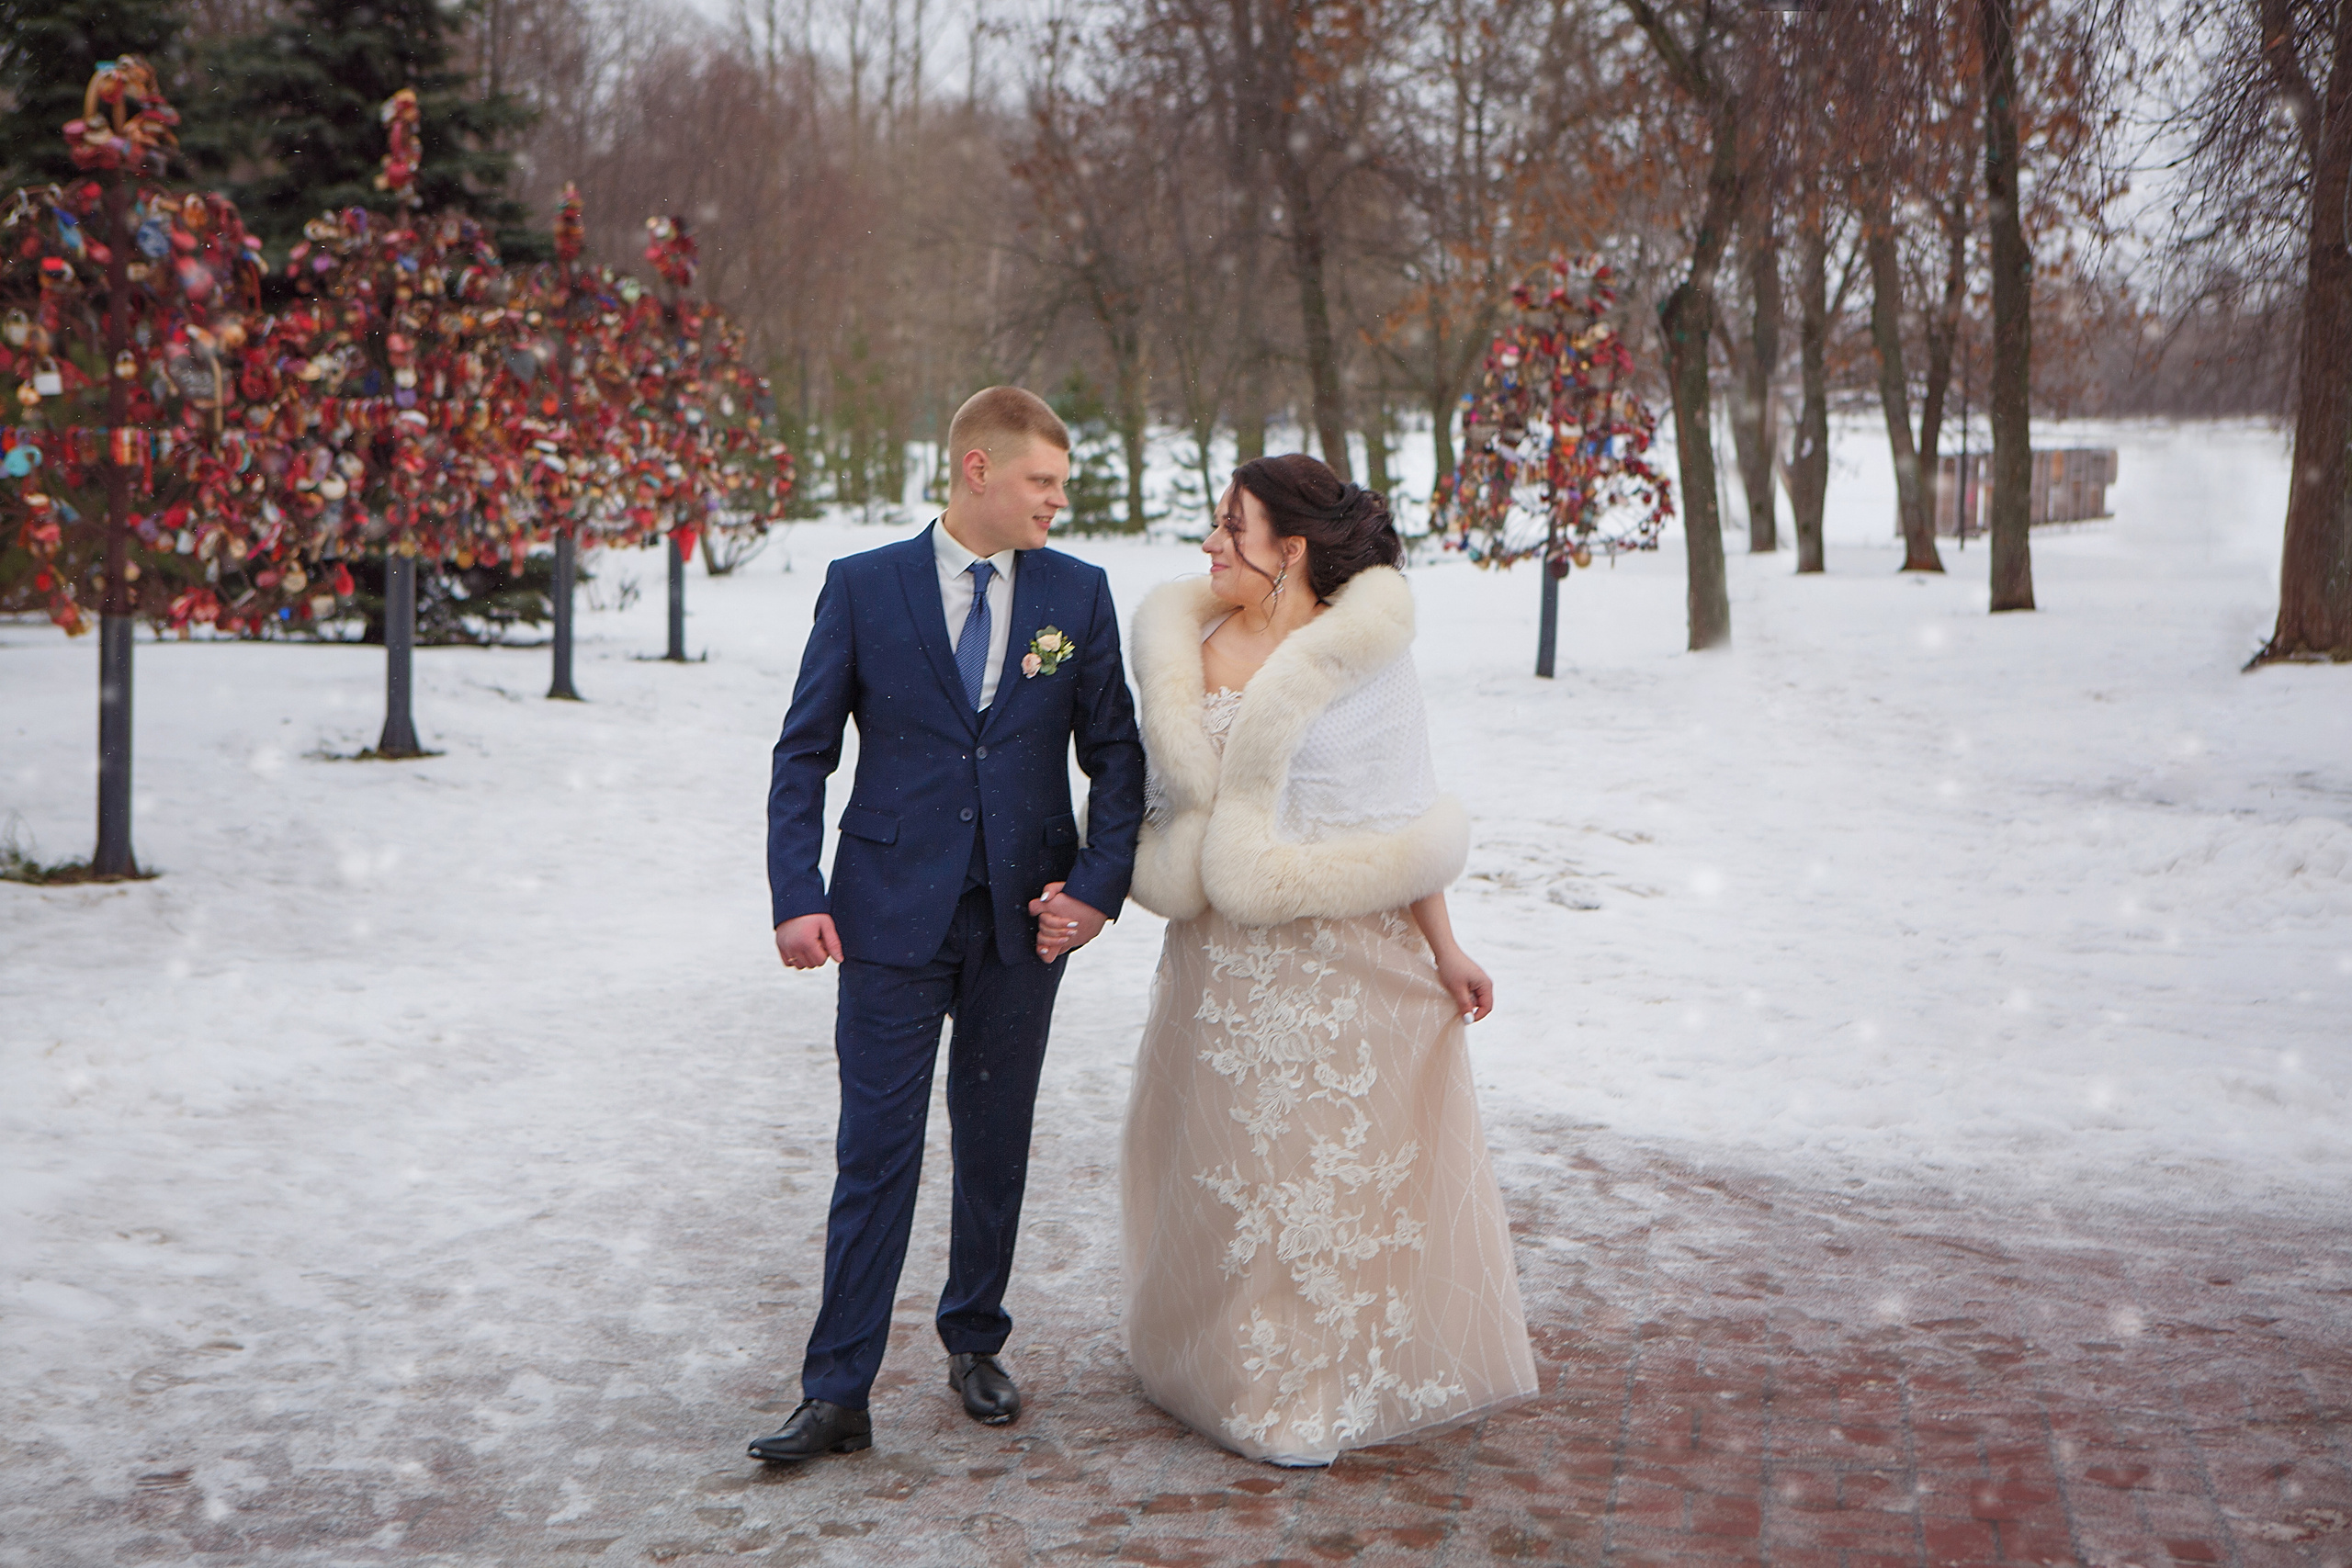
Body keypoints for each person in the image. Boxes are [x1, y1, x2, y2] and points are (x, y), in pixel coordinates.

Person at [751, 387, 1145, 1463]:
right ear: (979, 471)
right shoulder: (863, 587)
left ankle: (975, 1338)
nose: (1057, 502)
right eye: (1042, 483)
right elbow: (804, 752)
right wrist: (797, 891)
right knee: (873, 1149)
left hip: (1027, 920)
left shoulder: (1079, 594)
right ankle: (837, 1391)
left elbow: (1116, 757)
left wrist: (1096, 888)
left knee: (995, 1137)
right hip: (883, 915)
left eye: (1061, 486)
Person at [1120, 454, 1537, 1466]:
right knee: (1226, 1168)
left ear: (1289, 550)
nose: (1211, 543)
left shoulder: (1360, 662)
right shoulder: (1191, 646)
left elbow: (1402, 817)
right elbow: (1150, 804)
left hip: (1340, 961)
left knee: (1318, 1179)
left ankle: (1304, 1388)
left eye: (1232, 527)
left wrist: (1446, 949)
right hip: (1216, 963)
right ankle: (1214, 1364)